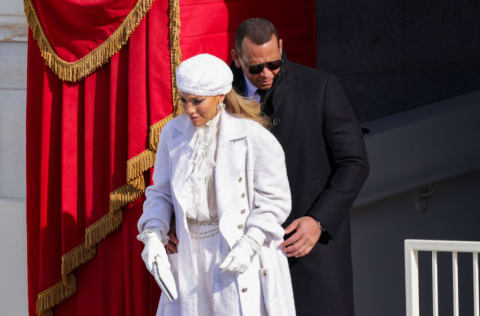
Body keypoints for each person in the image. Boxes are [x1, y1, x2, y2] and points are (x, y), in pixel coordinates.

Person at [137, 53, 296, 316]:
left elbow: (275, 200)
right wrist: (153, 234)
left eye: (197, 101)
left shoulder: (252, 136)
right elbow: (161, 192)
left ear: (220, 96)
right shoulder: (173, 133)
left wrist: (250, 243)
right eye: (184, 100)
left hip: (236, 249)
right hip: (189, 252)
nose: (189, 109)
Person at [230, 18, 369, 316]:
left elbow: (354, 163)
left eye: (274, 63)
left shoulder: (320, 87)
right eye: (255, 68)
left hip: (311, 252)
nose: (266, 73)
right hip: (243, 254)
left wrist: (318, 221)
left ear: (281, 47)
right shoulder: (221, 95)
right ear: (236, 58)